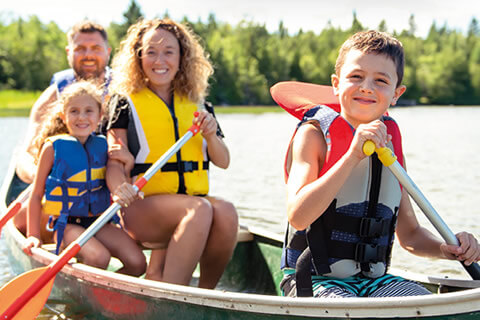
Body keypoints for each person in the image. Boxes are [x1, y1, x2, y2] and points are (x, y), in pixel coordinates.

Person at [279, 30, 480, 298]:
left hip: (374, 283)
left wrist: (447, 249)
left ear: (396, 93)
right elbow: (299, 215)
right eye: (356, 77)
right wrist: (351, 156)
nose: (366, 87)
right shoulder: (313, 136)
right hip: (312, 279)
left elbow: (410, 236)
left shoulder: (391, 143)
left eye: (381, 80)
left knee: (428, 307)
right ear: (336, 84)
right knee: (350, 313)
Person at [105, 18, 238, 288]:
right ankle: (174, 296)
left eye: (168, 52)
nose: (159, 60)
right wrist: (120, 188)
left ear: (181, 57)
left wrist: (211, 135)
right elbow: (115, 159)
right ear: (138, 56)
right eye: (151, 51)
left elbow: (223, 161)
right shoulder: (124, 103)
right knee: (199, 208)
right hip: (142, 208)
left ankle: (206, 295)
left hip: (189, 205)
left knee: (226, 211)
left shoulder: (199, 104)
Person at [22, 81, 146, 276]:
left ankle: (107, 295)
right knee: (99, 257)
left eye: (89, 111)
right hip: (68, 225)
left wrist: (128, 166)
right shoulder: (52, 148)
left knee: (138, 263)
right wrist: (33, 236)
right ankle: (87, 299)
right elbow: (36, 195)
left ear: (100, 116)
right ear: (63, 116)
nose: (81, 117)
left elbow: (119, 186)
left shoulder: (104, 146)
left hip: (100, 221)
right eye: (74, 111)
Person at [13, 20, 112, 233]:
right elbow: (25, 157)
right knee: (21, 220)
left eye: (95, 48)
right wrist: (45, 178)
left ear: (108, 52)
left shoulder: (123, 91)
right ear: (69, 52)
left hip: (108, 191)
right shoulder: (53, 96)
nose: (88, 54)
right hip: (64, 196)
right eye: (80, 49)